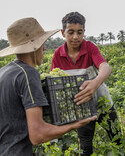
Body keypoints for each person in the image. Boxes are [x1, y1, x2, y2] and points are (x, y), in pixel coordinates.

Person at [0, 17, 97, 156]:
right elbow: (38, 135)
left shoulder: (3, 72)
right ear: (32, 47)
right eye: (41, 43)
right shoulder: (28, 74)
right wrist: (75, 125)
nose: (44, 48)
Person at [51, 12, 121, 155]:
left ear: (84, 32)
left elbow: (105, 67)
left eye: (79, 32)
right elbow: (55, 83)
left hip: (103, 103)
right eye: (71, 32)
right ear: (63, 33)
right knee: (86, 147)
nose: (75, 37)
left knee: (117, 139)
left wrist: (95, 84)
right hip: (82, 109)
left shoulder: (90, 47)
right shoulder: (58, 54)